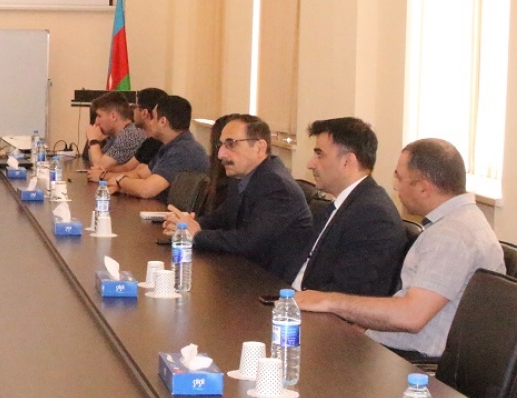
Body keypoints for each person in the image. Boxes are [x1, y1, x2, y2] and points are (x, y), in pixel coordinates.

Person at [296, 138, 505, 358]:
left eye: (399, 178)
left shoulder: (452, 235)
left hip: (412, 361)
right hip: (393, 348)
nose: (396, 186)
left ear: (423, 188)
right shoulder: (461, 221)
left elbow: (412, 316)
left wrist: (329, 301)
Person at [163, 114, 315, 282]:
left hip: (270, 284)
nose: (220, 154)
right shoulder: (243, 176)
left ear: (259, 148)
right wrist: (188, 225)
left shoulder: (277, 186)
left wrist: (197, 234)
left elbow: (248, 241)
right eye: (221, 145)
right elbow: (221, 217)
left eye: (231, 144)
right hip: (243, 273)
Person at [291, 117, 405, 296]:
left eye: (319, 154)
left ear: (347, 162)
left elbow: (348, 293)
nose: (310, 164)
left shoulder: (373, 216)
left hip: (314, 309)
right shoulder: (340, 205)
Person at [102, 95, 209, 202]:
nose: (150, 122)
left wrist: (120, 181)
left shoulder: (183, 151)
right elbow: (140, 175)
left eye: (152, 117)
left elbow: (146, 190)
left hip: (169, 211)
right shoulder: (169, 146)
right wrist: (120, 184)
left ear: (163, 122)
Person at [84, 91, 147, 169]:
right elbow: (95, 161)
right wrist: (97, 141)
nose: (96, 122)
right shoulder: (115, 135)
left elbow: (99, 166)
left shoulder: (128, 135)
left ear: (113, 116)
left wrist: (93, 140)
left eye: (99, 116)